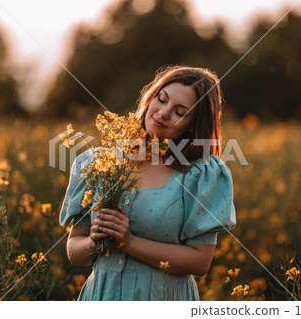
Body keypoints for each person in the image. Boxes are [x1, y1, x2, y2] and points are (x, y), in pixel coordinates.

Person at [59, 65, 236, 301]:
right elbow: (75, 253)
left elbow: (200, 262)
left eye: (180, 112)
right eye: (161, 99)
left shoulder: (202, 174)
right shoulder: (98, 163)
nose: (163, 113)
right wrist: (95, 240)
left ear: (193, 124)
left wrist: (128, 241)